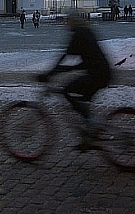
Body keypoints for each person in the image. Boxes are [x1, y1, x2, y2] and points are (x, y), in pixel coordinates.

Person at [38, 13, 111, 149]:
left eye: (68, 21)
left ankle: (91, 124)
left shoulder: (78, 34)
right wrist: (67, 69)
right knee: (82, 99)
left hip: (98, 74)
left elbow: (64, 56)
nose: (66, 24)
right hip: (102, 72)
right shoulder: (85, 32)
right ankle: (89, 134)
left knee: (67, 90)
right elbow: (86, 58)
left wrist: (49, 74)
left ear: (73, 22)